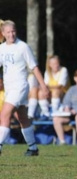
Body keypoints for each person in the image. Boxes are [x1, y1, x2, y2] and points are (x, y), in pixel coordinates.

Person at [0, 20, 49, 155]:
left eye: (13, 31)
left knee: (4, 115)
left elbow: (35, 68)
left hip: (20, 86)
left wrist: (43, 86)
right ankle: (33, 148)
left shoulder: (22, 47)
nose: (11, 34)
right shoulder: (2, 48)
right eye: (8, 32)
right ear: (3, 33)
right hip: (9, 88)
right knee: (22, 117)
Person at [38, 55, 70, 119]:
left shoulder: (63, 70)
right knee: (40, 93)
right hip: (51, 94)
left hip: (63, 94)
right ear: (50, 65)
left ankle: (54, 112)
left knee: (55, 92)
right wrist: (45, 90)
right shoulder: (47, 72)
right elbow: (45, 85)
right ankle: (45, 113)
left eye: (57, 63)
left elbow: (60, 86)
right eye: (54, 64)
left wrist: (47, 88)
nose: (56, 65)